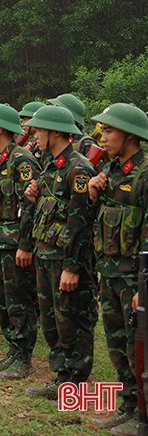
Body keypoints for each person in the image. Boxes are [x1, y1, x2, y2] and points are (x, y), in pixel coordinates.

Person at [23, 105, 96, 399]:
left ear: (55, 132)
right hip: (45, 255)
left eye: (39, 129)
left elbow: (80, 224)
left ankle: (75, 383)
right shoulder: (51, 166)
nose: (34, 134)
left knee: (71, 321)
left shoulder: (77, 169)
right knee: (50, 321)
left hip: (64, 260)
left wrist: (72, 267)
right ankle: (61, 377)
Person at [86, 103, 148, 435]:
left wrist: (144, 286)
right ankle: (128, 405)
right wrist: (95, 194)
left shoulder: (144, 176)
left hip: (134, 278)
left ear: (129, 135)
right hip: (109, 271)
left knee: (139, 348)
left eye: (109, 130)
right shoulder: (110, 171)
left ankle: (143, 414)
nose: (103, 136)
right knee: (116, 343)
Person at [0, 104, 40, 379]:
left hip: (15, 245)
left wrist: (25, 244)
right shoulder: (0, 160)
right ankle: (13, 352)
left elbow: (31, 206)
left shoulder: (21, 160)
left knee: (19, 302)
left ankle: (24, 357)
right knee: (2, 302)